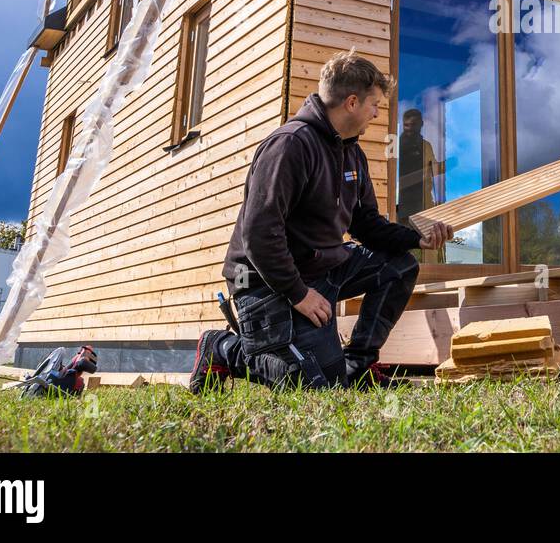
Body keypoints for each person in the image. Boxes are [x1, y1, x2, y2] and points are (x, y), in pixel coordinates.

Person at [188, 50, 452, 393]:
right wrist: (299, 295)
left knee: (398, 267)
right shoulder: (290, 146)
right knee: (315, 385)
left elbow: (366, 225)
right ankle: (223, 347)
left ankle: (358, 365)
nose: (376, 114)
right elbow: (258, 234)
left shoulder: (352, 153)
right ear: (353, 103)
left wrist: (418, 238)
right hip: (264, 281)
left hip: (323, 268)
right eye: (374, 105)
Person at [395, 108, 447, 261]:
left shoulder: (426, 146)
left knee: (431, 240)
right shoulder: (399, 146)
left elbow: (432, 170)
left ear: (421, 124)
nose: (410, 128)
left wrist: (450, 165)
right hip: (405, 204)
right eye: (406, 125)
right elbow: (403, 177)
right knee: (405, 243)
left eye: (413, 125)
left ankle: (433, 269)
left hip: (425, 202)